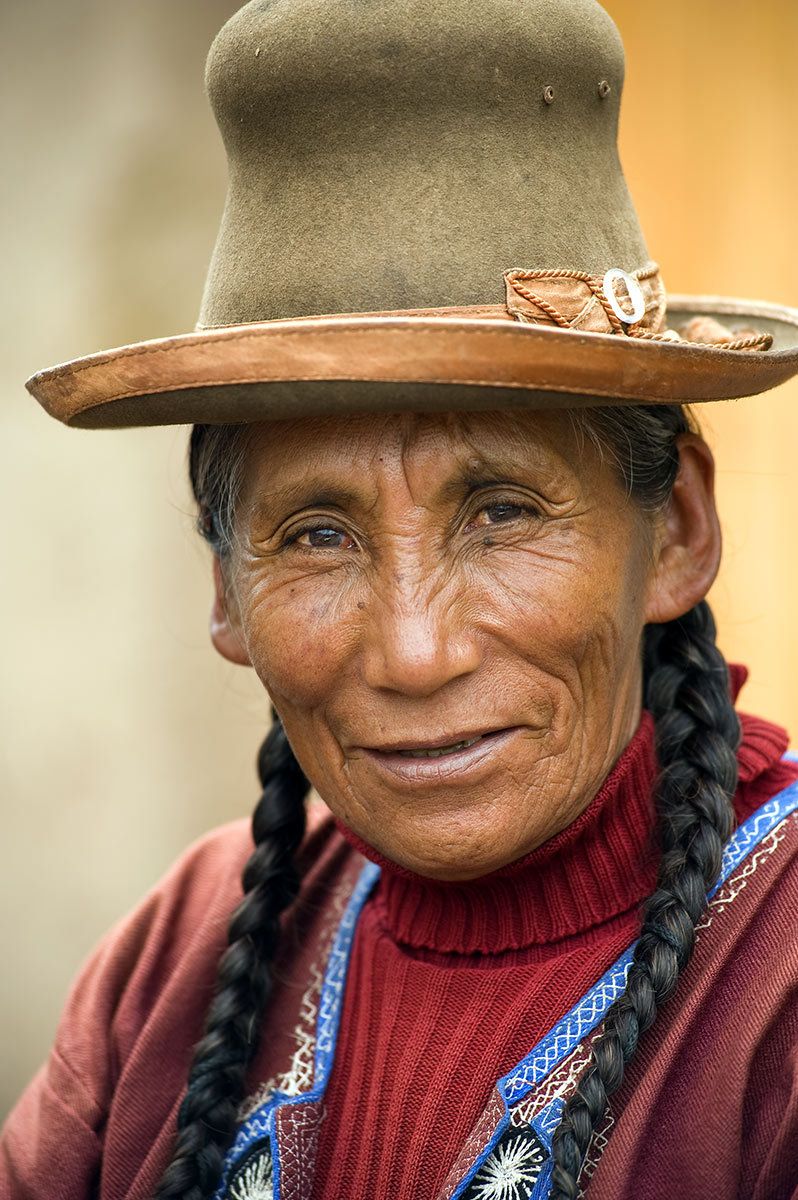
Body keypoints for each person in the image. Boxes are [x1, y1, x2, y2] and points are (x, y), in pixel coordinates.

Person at [3, 1, 798, 1198]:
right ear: (224, 587)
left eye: (505, 511)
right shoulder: (182, 957)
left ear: (677, 530)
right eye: (316, 534)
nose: (416, 651)